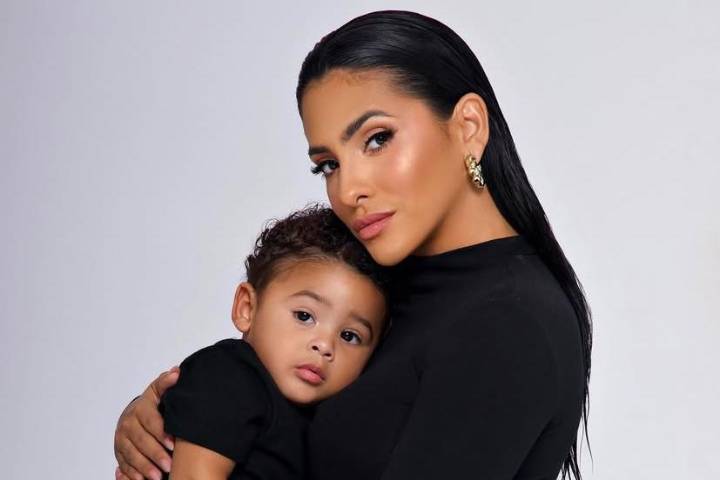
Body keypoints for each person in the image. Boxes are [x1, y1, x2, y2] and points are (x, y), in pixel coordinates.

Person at [115, 10, 592, 480]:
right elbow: (269, 403)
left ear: (468, 126)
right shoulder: (383, 283)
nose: (347, 191)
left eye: (377, 139)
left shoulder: (507, 321)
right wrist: (164, 417)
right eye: (329, 164)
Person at [157, 205, 387, 479]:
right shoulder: (226, 375)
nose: (324, 346)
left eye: (349, 336)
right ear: (247, 308)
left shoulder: (321, 422)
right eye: (304, 316)